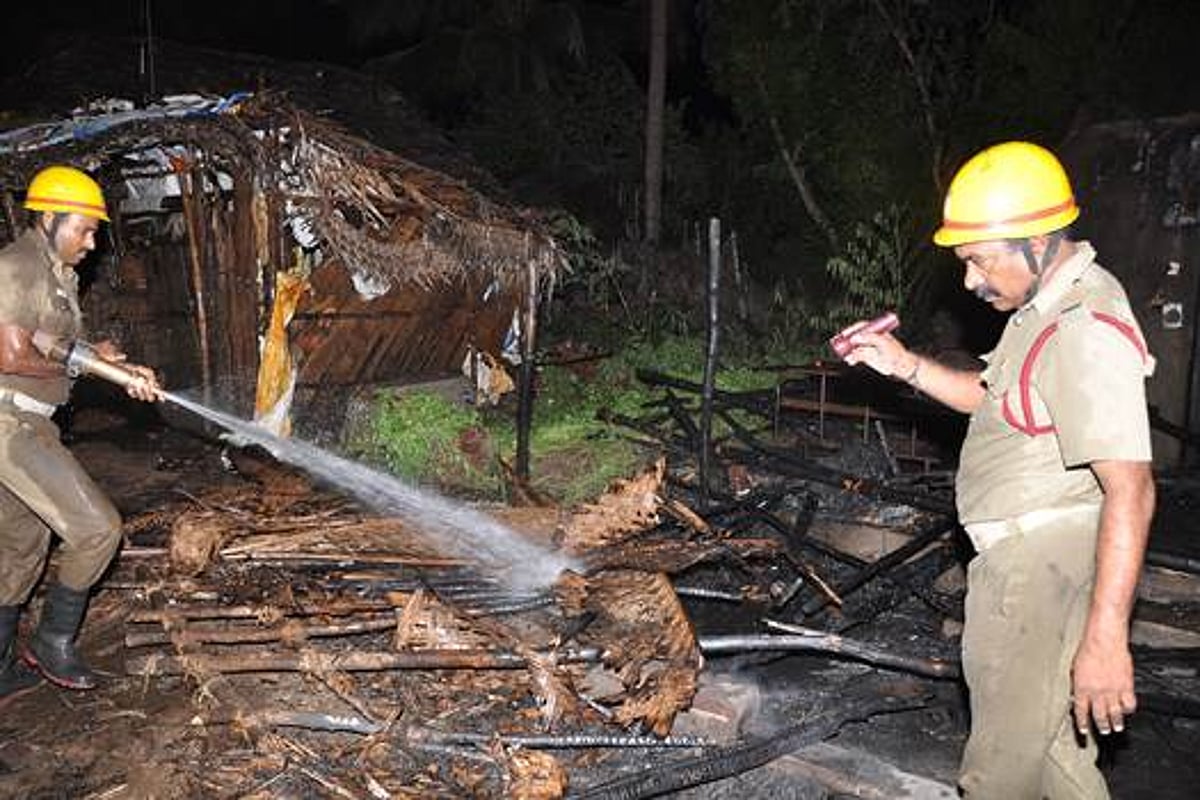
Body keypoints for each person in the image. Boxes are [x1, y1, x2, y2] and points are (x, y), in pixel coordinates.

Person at [841, 141, 1156, 799]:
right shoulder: (1044, 310)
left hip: (1035, 576)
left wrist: (1106, 639)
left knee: (998, 776)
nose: (970, 281)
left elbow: (1132, 487)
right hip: (1031, 565)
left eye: (978, 259)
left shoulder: (1085, 325)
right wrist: (902, 363)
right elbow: (991, 398)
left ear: (1035, 241)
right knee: (1060, 762)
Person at [0, 165, 161, 704]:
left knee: (20, 551)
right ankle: (52, 641)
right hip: (8, 423)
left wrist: (112, 364)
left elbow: (53, 344)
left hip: (28, 419)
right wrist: (88, 369)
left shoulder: (57, 275)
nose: (93, 243)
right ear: (48, 220)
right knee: (97, 530)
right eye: (85, 230)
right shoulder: (18, 267)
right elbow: (11, 355)